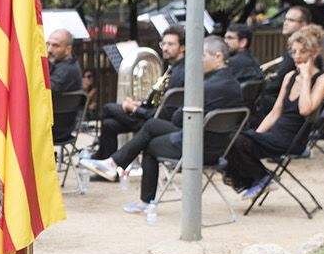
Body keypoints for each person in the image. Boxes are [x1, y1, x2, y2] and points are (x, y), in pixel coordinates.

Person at [82, 37, 246, 214]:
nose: (198, 60)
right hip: (218, 146)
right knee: (152, 125)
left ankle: (143, 198)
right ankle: (113, 163)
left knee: (150, 146)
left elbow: (177, 119)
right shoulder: (234, 84)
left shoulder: (205, 86)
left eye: (202, 55)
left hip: (198, 148)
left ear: (218, 57)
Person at [228, 23, 324, 197]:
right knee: (232, 140)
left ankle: (262, 178)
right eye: (294, 51)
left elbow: (305, 110)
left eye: (303, 52)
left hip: (293, 140)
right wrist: (255, 136)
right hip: (274, 135)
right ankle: (261, 178)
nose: (297, 56)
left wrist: (306, 78)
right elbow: (275, 112)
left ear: (314, 53)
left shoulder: (323, 79)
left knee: (234, 141)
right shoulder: (289, 76)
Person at [94, 24, 184, 160]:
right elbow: (159, 99)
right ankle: (103, 161)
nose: (165, 48)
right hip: (151, 113)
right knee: (109, 125)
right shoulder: (174, 67)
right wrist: (140, 104)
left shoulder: (179, 73)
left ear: (182, 47)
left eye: (170, 44)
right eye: (163, 43)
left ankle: (102, 158)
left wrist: (136, 110)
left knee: (108, 108)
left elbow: (166, 111)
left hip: (156, 120)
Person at [257, 5, 313, 117]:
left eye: (291, 20)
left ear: (304, 24)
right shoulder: (299, 48)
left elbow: (277, 84)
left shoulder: (301, 53)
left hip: (285, 108)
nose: (285, 23)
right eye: (285, 19)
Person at [46, 27, 81, 93]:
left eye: (55, 45)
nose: (49, 50)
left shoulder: (68, 69)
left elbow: (45, 91)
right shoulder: (62, 65)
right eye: (48, 44)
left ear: (68, 49)